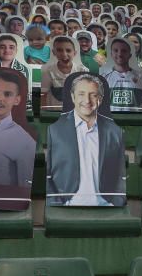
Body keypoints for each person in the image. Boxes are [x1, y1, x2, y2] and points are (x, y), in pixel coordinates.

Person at [46, 74, 125, 206]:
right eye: (81, 94)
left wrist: (116, 202)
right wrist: (56, 203)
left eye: (93, 94)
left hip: (106, 206)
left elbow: (120, 173)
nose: (87, 100)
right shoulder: (54, 130)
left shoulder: (115, 131)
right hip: (66, 206)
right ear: (73, 97)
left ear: (100, 98)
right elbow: (48, 174)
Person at [100, 37, 142, 112]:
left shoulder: (141, 76)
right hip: (112, 120)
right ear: (111, 54)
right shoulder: (103, 77)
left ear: (130, 55)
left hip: (135, 120)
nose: (119, 54)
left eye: (124, 51)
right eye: (116, 50)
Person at [41, 36, 87, 110]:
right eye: (59, 50)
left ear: (74, 53)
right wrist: (44, 113)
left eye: (68, 50)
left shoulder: (83, 71)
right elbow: (43, 95)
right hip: (55, 113)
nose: (64, 54)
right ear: (54, 52)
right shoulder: (48, 71)